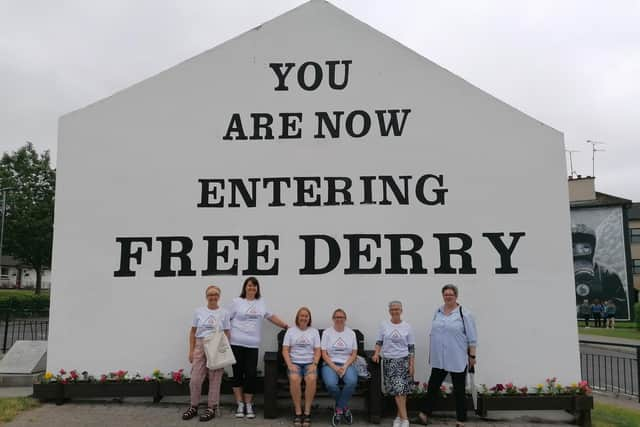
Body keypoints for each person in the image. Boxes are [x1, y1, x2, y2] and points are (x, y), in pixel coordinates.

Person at [229, 277, 288, 418]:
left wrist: (286, 326)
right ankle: (240, 404)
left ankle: (249, 404)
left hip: (252, 344)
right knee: (237, 373)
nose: (252, 288)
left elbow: (271, 316)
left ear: (257, 289)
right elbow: (226, 319)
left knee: (250, 374)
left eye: (254, 286)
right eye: (249, 285)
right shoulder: (236, 302)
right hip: (236, 343)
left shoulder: (261, 303)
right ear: (245, 287)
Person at [418, 284, 477, 427]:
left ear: (456, 296)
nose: (448, 296)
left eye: (451, 294)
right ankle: (425, 414)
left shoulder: (464, 314)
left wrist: (472, 357)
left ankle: (461, 419)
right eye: (446, 294)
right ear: (443, 296)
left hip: (457, 357)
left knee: (459, 390)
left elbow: (472, 338)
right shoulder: (438, 312)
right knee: (433, 386)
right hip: (440, 358)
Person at [182, 285, 231, 422]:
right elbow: (193, 331)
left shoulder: (224, 313)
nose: (213, 297)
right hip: (200, 344)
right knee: (195, 379)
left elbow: (227, 332)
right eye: (210, 294)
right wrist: (191, 350)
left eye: (215, 294)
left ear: (219, 297)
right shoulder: (199, 311)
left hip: (216, 344)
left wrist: (224, 351)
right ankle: (193, 406)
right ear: (206, 296)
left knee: (215, 379)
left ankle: (211, 408)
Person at [371, 301, 415, 427]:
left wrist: (412, 365)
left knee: (400, 390)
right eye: (392, 309)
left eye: (397, 309)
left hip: (403, 361)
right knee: (398, 391)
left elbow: (411, 348)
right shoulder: (384, 325)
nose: (395, 311)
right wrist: (376, 353)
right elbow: (379, 342)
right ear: (389, 311)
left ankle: (404, 419)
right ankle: (400, 417)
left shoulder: (407, 326)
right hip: (389, 361)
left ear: (401, 310)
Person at [283, 307, 321, 427]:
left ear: (309, 318)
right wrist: (289, 364)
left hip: (310, 363)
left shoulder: (314, 332)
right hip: (294, 363)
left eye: (306, 316)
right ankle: (298, 412)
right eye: (301, 316)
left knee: (311, 379)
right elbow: (285, 350)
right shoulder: (291, 331)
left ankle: (307, 412)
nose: (304, 318)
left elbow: (318, 350)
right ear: (297, 317)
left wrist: (315, 364)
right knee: (294, 379)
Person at [321, 308, 358, 426]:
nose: (339, 319)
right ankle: (344, 408)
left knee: (352, 381)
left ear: (345, 319)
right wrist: (335, 368)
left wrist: (345, 366)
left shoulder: (351, 333)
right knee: (331, 384)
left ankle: (338, 409)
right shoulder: (327, 333)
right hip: (329, 364)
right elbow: (324, 353)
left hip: (347, 364)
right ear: (333, 319)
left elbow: (354, 353)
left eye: (341, 317)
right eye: (337, 317)